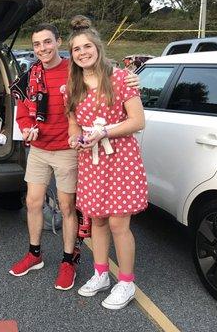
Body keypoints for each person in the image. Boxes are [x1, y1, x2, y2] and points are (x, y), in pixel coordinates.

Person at [9, 23, 139, 291]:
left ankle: (69, 260)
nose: (42, 48)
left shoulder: (74, 70)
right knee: (33, 202)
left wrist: (131, 78)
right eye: (36, 44)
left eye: (47, 42)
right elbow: (22, 108)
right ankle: (35, 254)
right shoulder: (30, 75)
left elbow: (106, 76)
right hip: (41, 148)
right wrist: (25, 128)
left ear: (57, 42)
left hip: (70, 151)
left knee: (69, 208)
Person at [65, 15, 147, 310]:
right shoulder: (72, 87)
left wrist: (104, 131)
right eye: (77, 49)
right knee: (97, 220)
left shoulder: (121, 79)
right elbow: (73, 125)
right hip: (91, 160)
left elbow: (138, 121)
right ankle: (101, 274)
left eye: (87, 46)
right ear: (71, 55)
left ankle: (126, 282)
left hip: (121, 159)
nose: (83, 52)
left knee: (118, 223)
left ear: (97, 47)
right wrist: (76, 138)